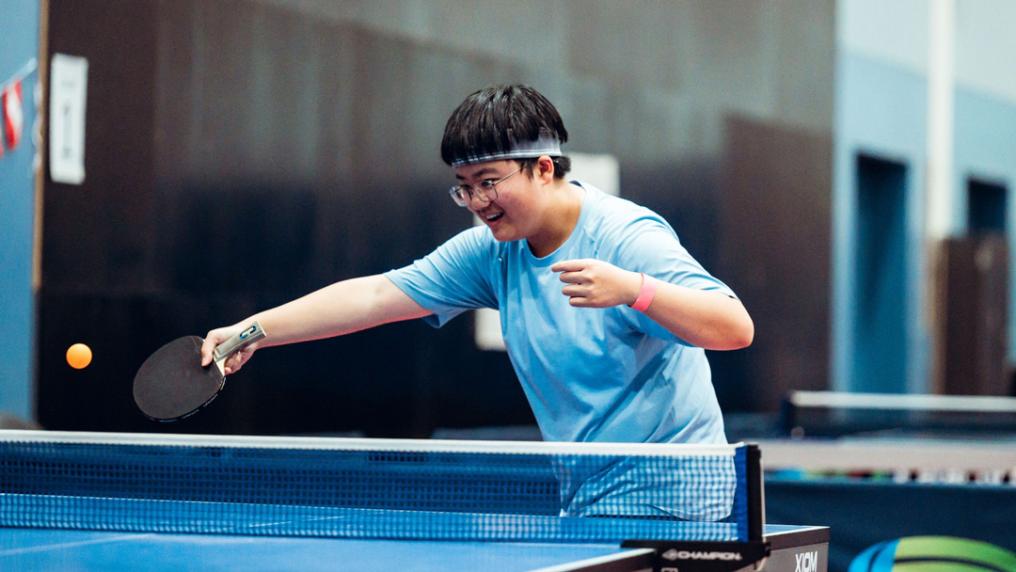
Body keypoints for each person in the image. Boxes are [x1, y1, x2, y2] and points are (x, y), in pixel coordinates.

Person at [201, 84, 753, 519]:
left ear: (542, 167)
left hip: (675, 498)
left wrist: (635, 290)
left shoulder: (627, 236)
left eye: (489, 181)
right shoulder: (493, 252)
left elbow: (734, 327)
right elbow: (374, 296)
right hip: (588, 495)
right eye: (464, 186)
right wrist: (251, 331)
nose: (478, 202)